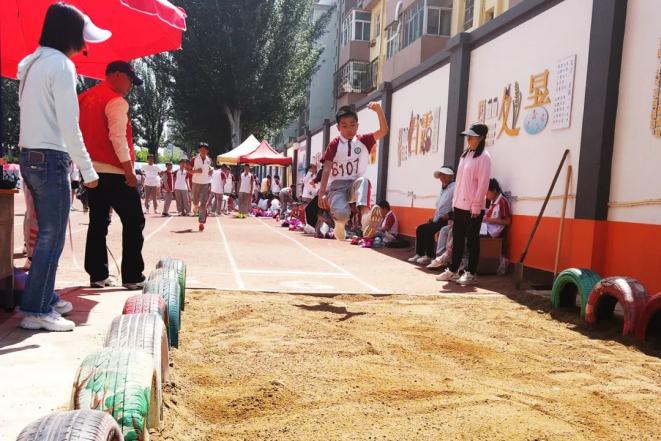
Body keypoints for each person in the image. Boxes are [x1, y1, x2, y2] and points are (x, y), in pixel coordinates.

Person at [16, 3, 107, 331]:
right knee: (51, 236)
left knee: (47, 234)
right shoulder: (62, 66)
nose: (84, 47)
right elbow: (70, 124)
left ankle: (43, 297)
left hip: (29, 155)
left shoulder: (30, 63)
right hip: (50, 157)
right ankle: (36, 309)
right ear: (70, 35)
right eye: (82, 39)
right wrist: (88, 170)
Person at [79, 60, 146, 290]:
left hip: (91, 171)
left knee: (98, 222)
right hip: (115, 171)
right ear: (117, 75)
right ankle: (132, 276)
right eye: (130, 80)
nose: (131, 86)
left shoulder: (84, 98)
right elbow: (118, 138)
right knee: (134, 221)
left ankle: (97, 275)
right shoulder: (115, 101)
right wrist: (129, 171)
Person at [318, 102, 389, 241]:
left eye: (352, 125)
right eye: (344, 126)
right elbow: (326, 168)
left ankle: (366, 222)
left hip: (354, 184)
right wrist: (322, 193)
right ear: (338, 127)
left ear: (357, 125)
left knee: (364, 181)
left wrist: (379, 110)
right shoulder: (335, 144)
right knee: (342, 215)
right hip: (337, 187)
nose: (349, 129)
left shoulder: (364, 140)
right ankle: (339, 225)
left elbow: (383, 131)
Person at [437, 123, 492, 285]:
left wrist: (476, 205)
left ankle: (471, 272)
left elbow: (483, 184)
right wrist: (455, 201)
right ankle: (453, 270)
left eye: (472, 136)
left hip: (473, 207)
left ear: (481, 138)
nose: (468, 139)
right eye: (468, 136)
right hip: (459, 205)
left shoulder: (484, 157)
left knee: (472, 240)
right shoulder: (465, 155)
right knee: (458, 239)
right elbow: (460, 182)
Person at [408, 166, 455, 265]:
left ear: (450, 176)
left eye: (444, 175)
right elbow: (440, 207)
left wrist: (449, 215)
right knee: (421, 228)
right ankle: (420, 253)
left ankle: (429, 256)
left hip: (447, 220)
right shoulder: (443, 189)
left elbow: (455, 206)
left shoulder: (454, 187)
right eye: (441, 175)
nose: (442, 177)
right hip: (439, 219)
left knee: (428, 230)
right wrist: (433, 217)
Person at [190, 143, 213, 230]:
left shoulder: (209, 160)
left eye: (205, 149)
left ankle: (201, 222)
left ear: (207, 151)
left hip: (206, 183)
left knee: (203, 204)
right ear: (199, 150)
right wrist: (196, 171)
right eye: (201, 149)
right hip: (196, 183)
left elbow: (211, 168)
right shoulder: (194, 159)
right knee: (195, 202)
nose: (203, 151)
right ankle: (196, 207)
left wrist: (211, 170)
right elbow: (188, 169)